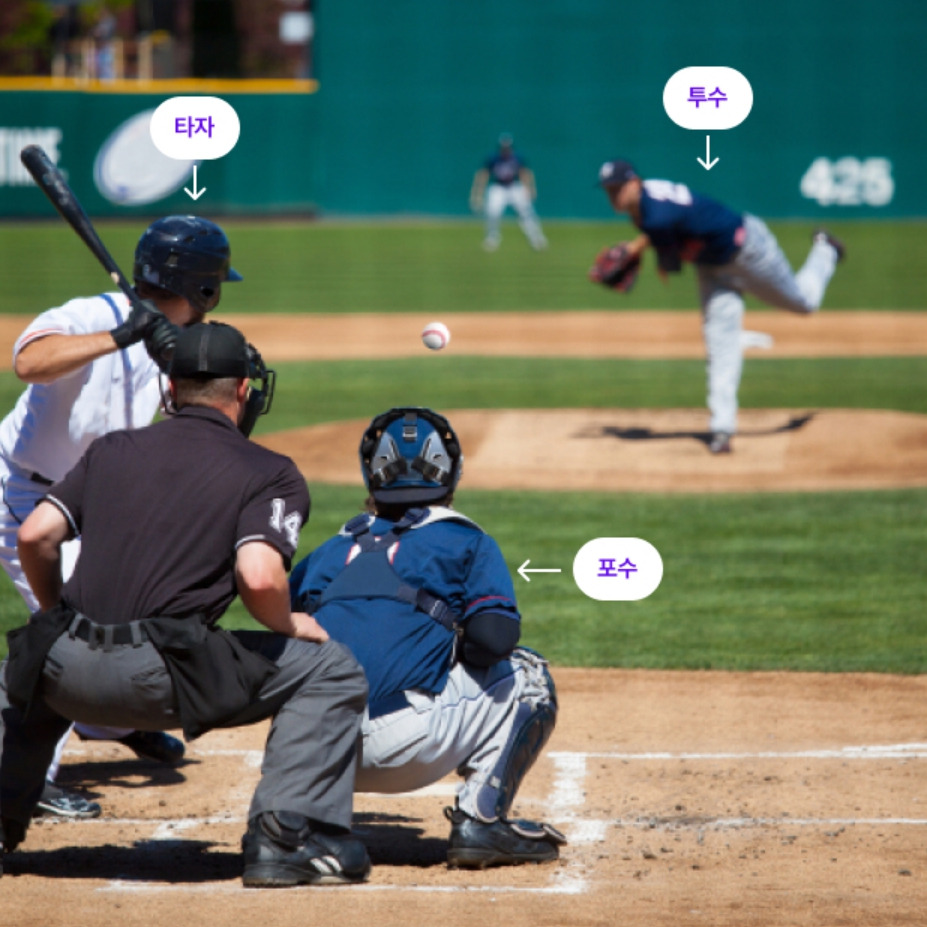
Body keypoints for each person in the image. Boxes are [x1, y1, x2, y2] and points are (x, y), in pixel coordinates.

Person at [0, 321, 371, 887]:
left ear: (169, 389)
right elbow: (259, 576)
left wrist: (56, 622)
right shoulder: (268, 472)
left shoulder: (111, 449)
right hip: (163, 680)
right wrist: (288, 621)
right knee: (330, 668)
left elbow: (34, 535)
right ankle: (285, 840)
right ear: (244, 390)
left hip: (65, 674)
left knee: (16, 675)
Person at [0, 215, 241, 818]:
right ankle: (26, 780)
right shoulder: (92, 314)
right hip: (24, 492)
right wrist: (120, 334)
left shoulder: (172, 338)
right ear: (203, 287)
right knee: (69, 626)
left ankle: (106, 724)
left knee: (128, 610)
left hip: (90, 497)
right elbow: (28, 361)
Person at [289, 407, 565, 869]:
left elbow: (285, 628)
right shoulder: (466, 541)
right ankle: (481, 821)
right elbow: (493, 640)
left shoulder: (329, 551)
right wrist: (446, 645)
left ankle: (298, 821)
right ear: (452, 472)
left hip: (309, 751)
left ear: (371, 474)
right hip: (404, 748)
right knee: (529, 675)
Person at [596, 159, 845, 454]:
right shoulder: (646, 203)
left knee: (804, 303)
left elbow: (670, 262)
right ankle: (722, 429)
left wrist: (643, 257)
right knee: (720, 345)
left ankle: (825, 249)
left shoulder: (654, 215)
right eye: (609, 190)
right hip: (711, 267)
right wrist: (635, 248)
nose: (614, 195)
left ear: (635, 182)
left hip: (748, 251)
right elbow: (668, 226)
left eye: (618, 188)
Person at [470, 134, 548, 252]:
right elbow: (483, 174)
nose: (506, 150)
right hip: (498, 187)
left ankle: (536, 238)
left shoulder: (517, 157)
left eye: (508, 148)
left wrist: (529, 188)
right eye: (504, 148)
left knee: (527, 212)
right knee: (492, 212)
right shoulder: (493, 158)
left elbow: (524, 172)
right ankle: (492, 238)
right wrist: (477, 192)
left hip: (514, 187)